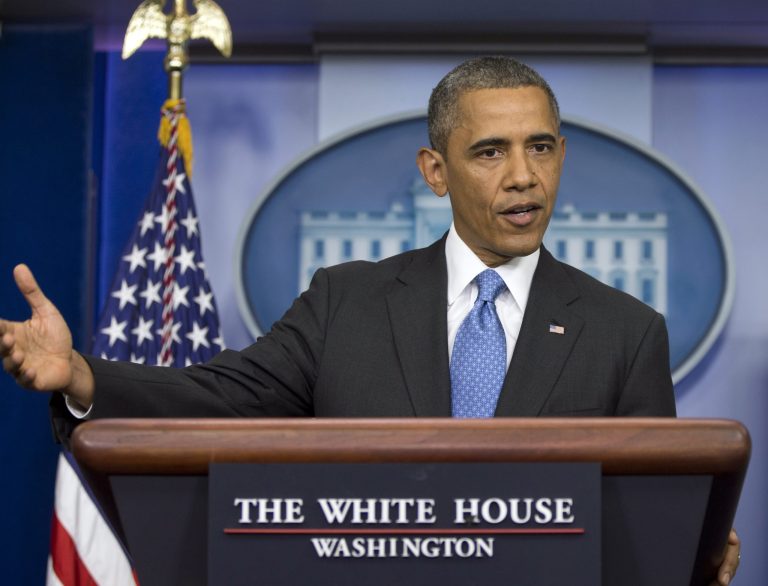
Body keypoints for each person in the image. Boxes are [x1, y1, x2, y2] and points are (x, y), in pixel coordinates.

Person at [0, 56, 740, 584]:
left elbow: (650, 519)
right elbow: (220, 397)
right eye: (491, 152)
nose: (524, 176)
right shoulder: (346, 302)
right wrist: (82, 375)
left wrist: (690, 554)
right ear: (435, 171)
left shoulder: (625, 330)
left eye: (540, 147)